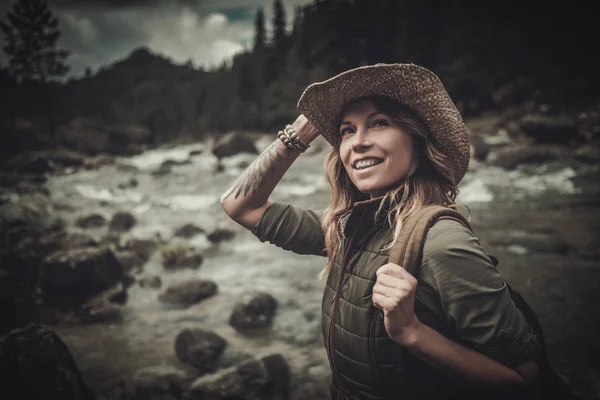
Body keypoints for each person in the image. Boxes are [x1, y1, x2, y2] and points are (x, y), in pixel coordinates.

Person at [220, 63, 541, 399]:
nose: (357, 143)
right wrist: (297, 134)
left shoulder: (443, 243)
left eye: (379, 124)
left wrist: (412, 332)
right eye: (346, 130)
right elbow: (240, 206)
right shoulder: (345, 227)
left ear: (417, 143)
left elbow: (523, 380)